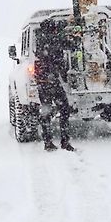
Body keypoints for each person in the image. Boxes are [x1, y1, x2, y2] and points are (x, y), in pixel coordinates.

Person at [34, 19, 75, 151]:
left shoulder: (40, 39)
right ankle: (64, 141)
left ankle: (48, 142)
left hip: (42, 83)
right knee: (64, 110)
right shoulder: (54, 39)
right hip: (53, 82)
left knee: (46, 111)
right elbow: (70, 45)